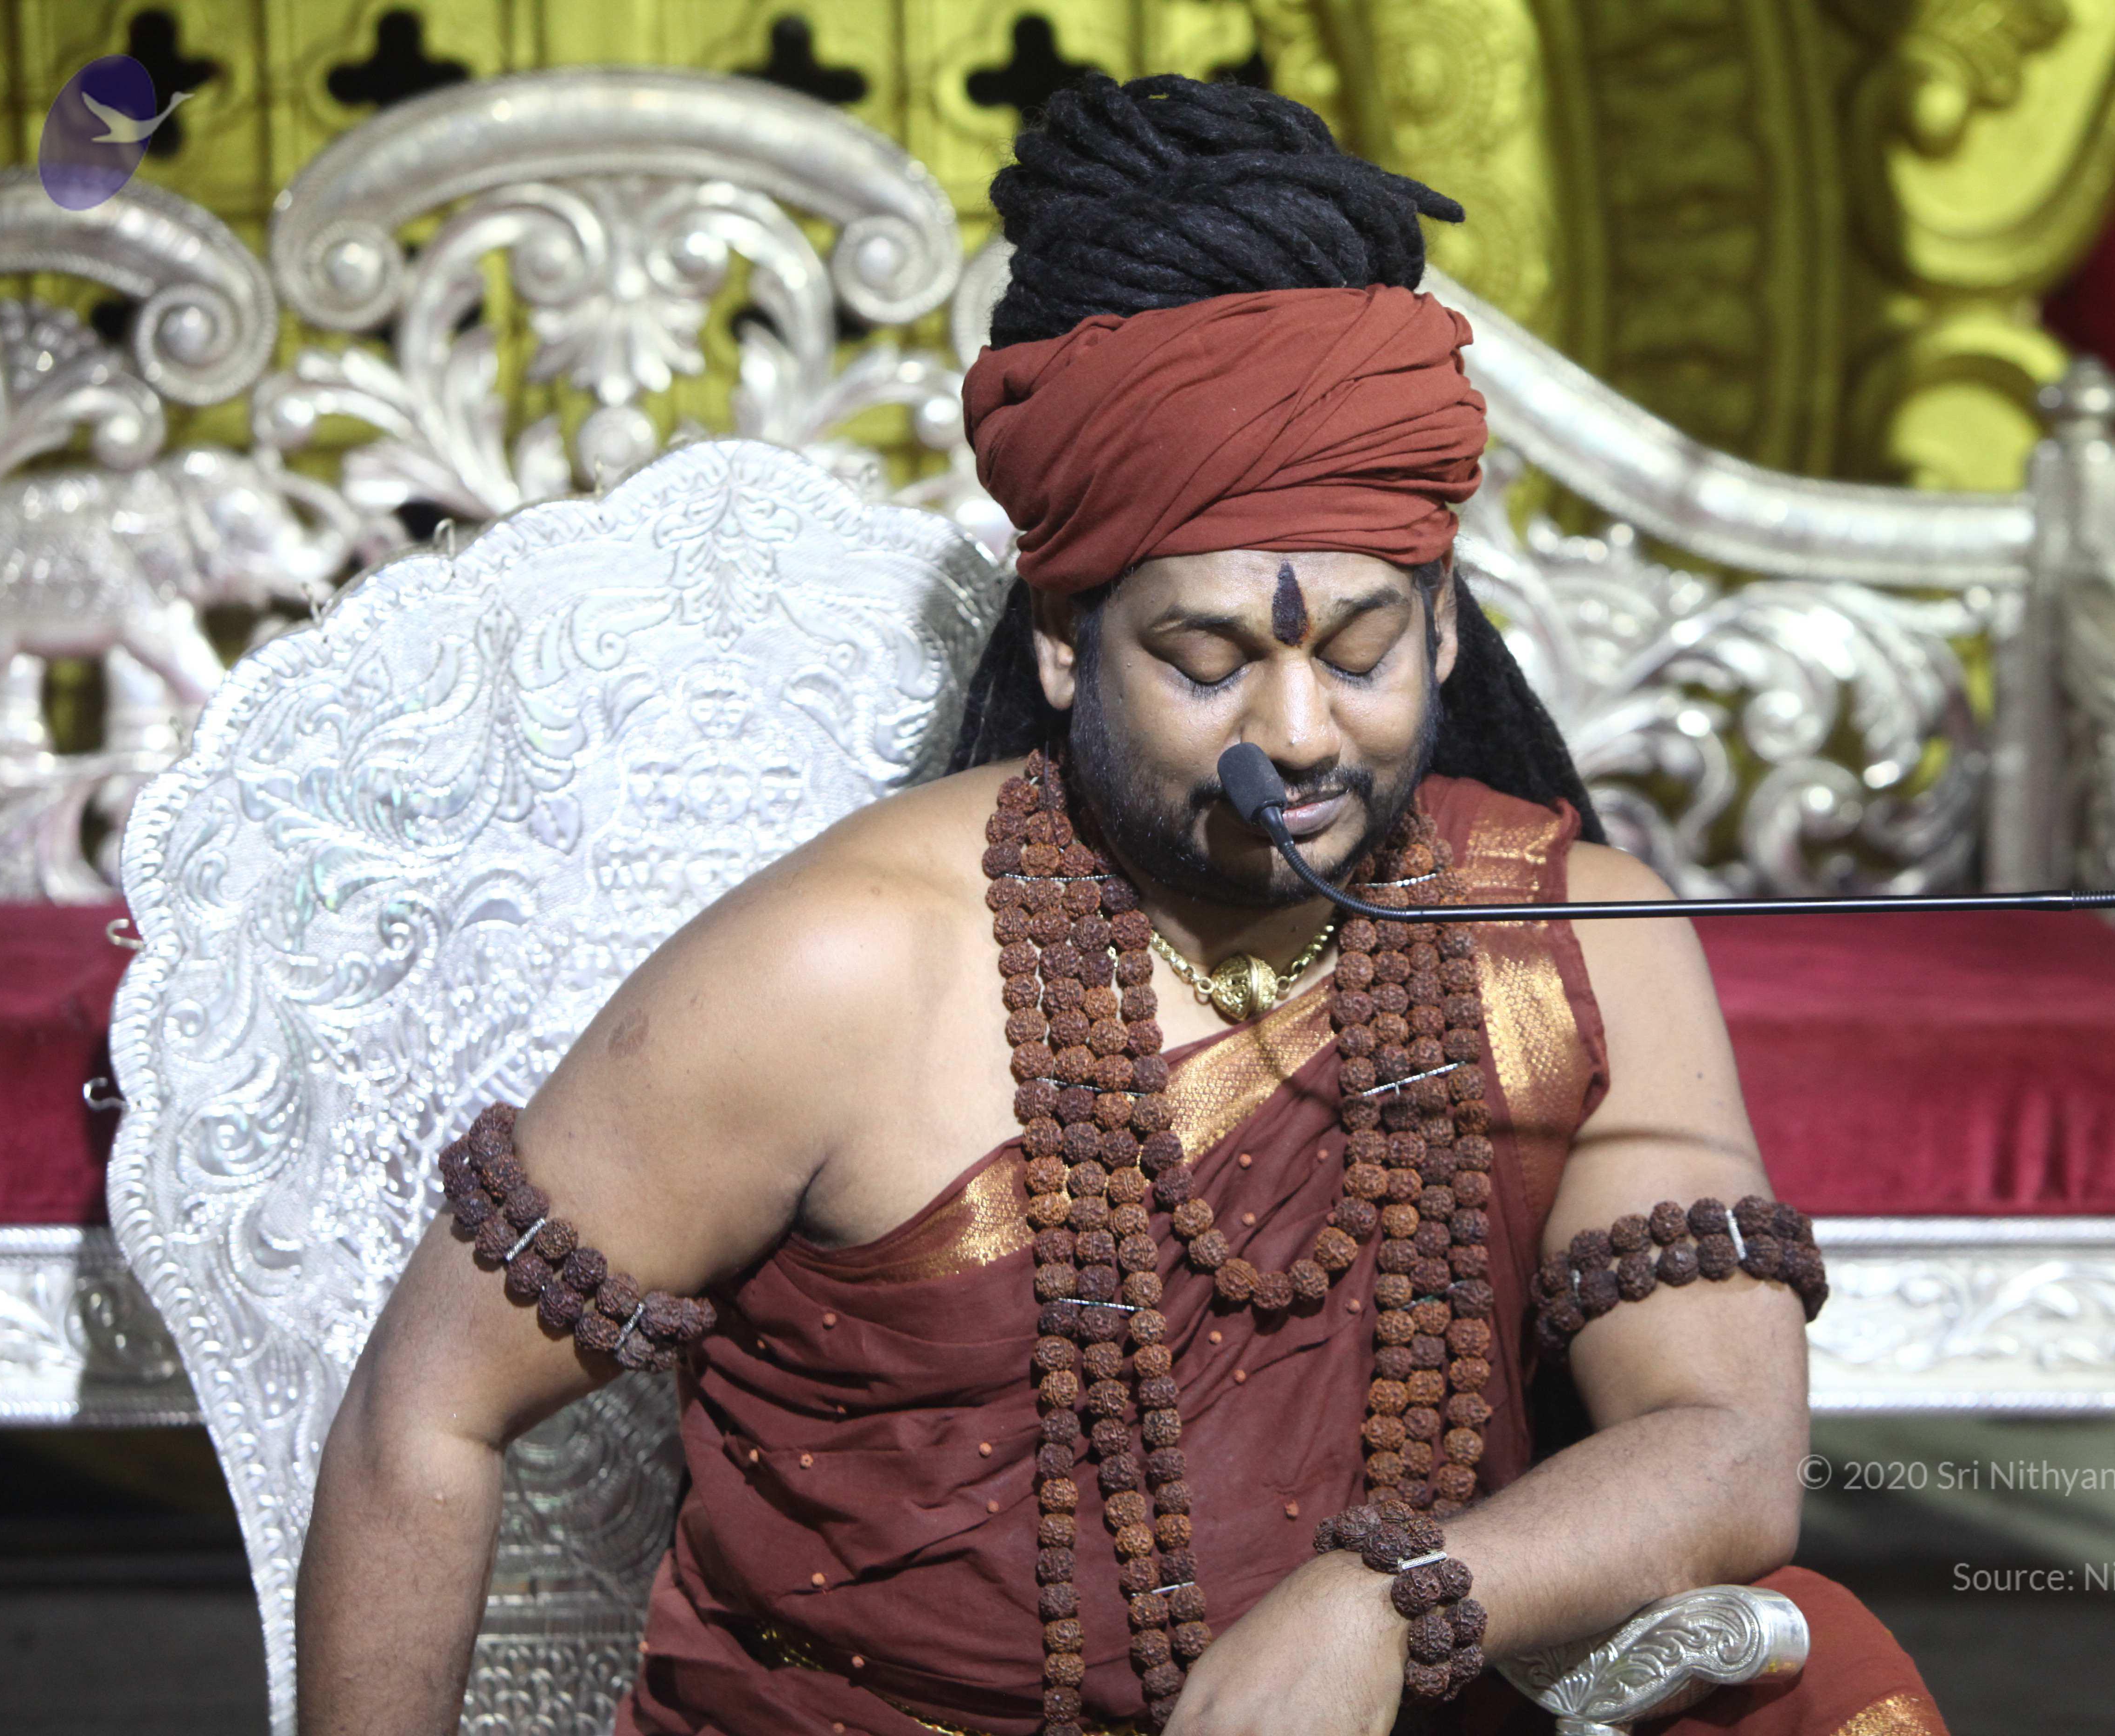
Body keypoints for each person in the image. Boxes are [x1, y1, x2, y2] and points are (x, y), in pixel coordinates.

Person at [294, 72, 1948, 1736]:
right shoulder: (840, 970)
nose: (1299, 734)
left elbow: (1724, 1446)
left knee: (1817, 1675)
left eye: (1361, 649)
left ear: (1445, 628)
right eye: (1207, 660)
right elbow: (422, 1412)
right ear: (1064, 645)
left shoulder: (1563, 944)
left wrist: (1388, 1602)